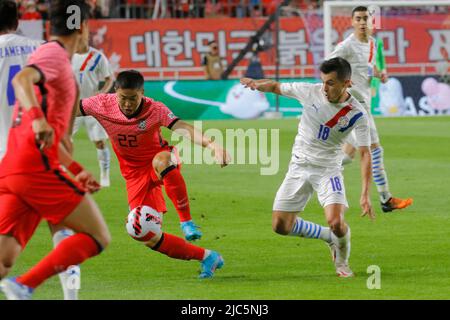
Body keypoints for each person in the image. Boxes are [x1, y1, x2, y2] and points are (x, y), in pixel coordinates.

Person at [0, 0, 111, 300]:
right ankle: (25, 286)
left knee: (4, 258)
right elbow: (22, 79)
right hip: (35, 168)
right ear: (83, 27)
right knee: (98, 236)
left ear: (51, 25)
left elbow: (46, 136)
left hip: (13, 166)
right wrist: (38, 121)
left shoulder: (47, 56)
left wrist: (75, 169)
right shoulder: (53, 54)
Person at [77, 70, 230, 278]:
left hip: (160, 161)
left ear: (142, 93)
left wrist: (211, 144)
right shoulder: (101, 104)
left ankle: (187, 222)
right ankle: (208, 257)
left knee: (162, 160)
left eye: (133, 98)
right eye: (123, 98)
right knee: (142, 232)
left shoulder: (155, 109)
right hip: (133, 176)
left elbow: (181, 126)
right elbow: (71, 109)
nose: (128, 104)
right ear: (116, 92)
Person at [241, 57, 374, 277]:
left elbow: (365, 153)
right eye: (323, 81)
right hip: (299, 166)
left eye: (330, 83)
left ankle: (342, 263)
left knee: (337, 222)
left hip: (328, 170)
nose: (324, 88)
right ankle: (327, 237)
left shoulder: (357, 114)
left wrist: (365, 194)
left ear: (346, 83)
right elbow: (275, 86)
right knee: (280, 226)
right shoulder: (309, 91)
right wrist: (256, 84)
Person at [328, 6, 413, 213]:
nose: (363, 22)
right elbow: (328, 67)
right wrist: (341, 87)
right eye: (358, 18)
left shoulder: (373, 44)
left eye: (366, 18)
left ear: (372, 22)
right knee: (375, 150)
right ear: (352, 22)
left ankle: (316, 170)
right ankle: (386, 199)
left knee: (348, 153)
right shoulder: (346, 46)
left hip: (364, 102)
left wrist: (378, 74)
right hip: (355, 106)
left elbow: (367, 67)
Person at [72, 40, 114, 187]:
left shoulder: (97, 56)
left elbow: (110, 79)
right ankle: (62, 174)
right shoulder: (66, 55)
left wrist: (102, 92)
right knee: (63, 142)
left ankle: (104, 175)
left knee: (100, 142)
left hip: (92, 106)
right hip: (72, 107)